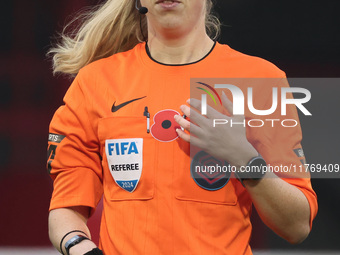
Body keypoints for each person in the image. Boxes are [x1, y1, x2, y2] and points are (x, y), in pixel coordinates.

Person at [47, 0, 318, 254]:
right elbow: (66, 208)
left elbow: (297, 225)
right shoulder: (94, 82)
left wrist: (243, 157)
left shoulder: (261, 80)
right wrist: (80, 247)